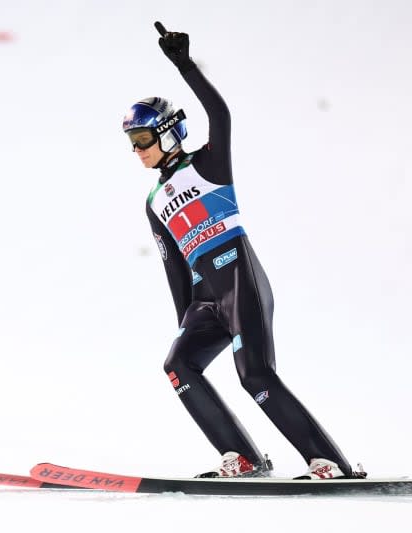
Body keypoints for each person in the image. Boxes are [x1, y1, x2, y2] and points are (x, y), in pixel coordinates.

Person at [122, 22, 356, 479]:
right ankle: (243, 457)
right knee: (179, 364)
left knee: (255, 376)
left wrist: (185, 66)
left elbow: (221, 115)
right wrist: (185, 320)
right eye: (132, 144)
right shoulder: (154, 204)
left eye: (143, 140)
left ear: (168, 133)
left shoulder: (208, 163)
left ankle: (329, 462)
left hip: (240, 283)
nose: (138, 151)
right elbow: (175, 268)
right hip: (208, 301)